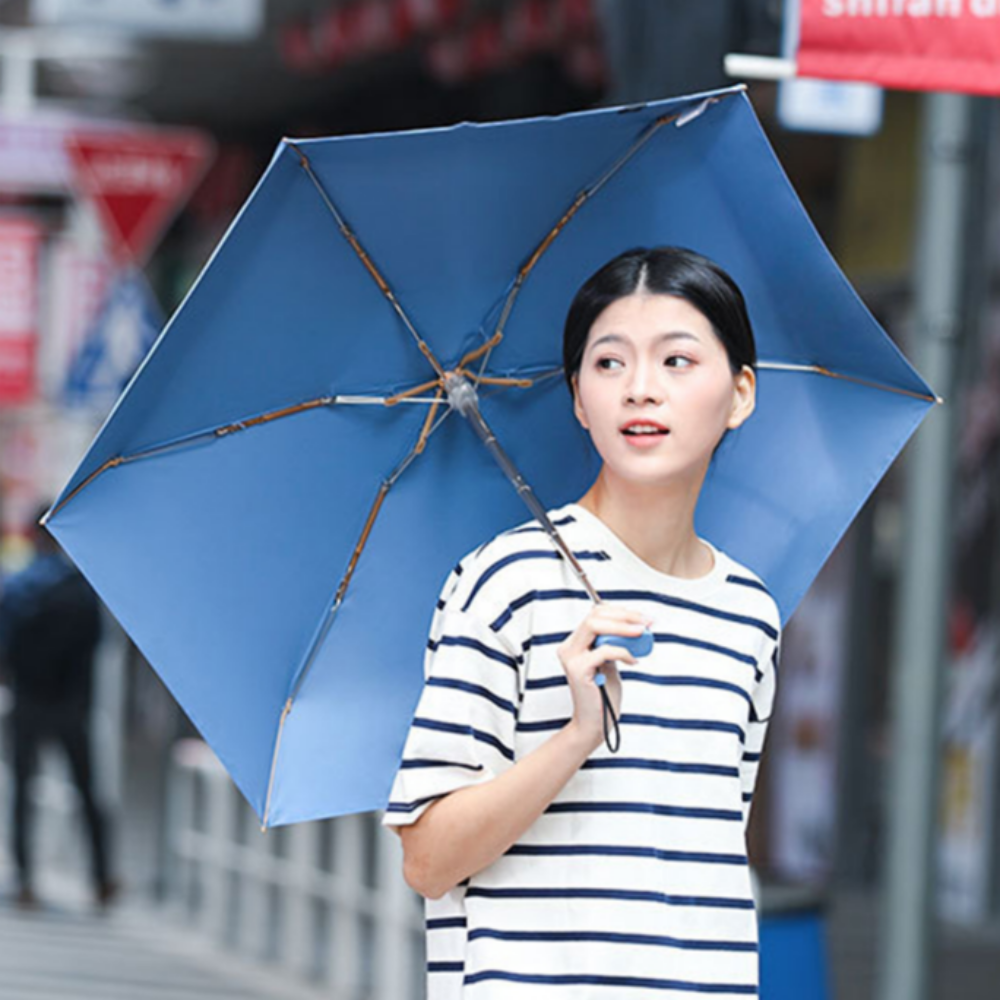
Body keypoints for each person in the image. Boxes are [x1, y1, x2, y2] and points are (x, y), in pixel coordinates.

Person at [381, 246, 782, 998]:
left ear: (740, 393)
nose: (639, 390)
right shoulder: (507, 583)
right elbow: (427, 861)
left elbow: (708, 852)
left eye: (677, 361)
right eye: (608, 364)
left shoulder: (750, 615)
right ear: (577, 398)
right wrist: (574, 738)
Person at [0, 503, 118, 910]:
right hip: (73, 706)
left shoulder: (17, 589)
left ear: (34, 538)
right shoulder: (82, 589)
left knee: (23, 794)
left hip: (28, 702)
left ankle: (25, 880)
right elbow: (97, 644)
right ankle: (102, 878)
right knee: (87, 793)